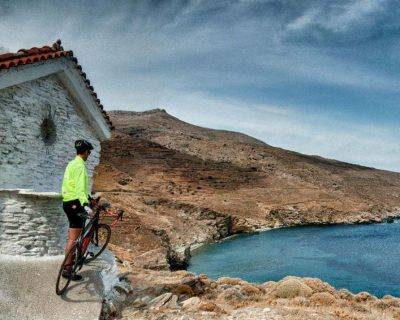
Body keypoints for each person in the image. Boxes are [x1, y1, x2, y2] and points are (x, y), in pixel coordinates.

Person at [61, 139, 94, 280]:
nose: (89, 155)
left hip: (67, 202)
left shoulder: (71, 163)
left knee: (73, 236)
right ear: (85, 152)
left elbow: (71, 184)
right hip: (76, 203)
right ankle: (67, 270)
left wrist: (88, 197)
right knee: (73, 239)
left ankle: (70, 261)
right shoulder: (81, 166)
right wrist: (86, 204)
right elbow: (80, 189)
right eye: (89, 152)